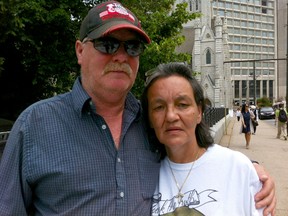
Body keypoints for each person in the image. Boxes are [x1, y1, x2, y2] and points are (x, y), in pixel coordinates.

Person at [0, 1, 275, 215]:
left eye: (131, 47)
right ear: (80, 51)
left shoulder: (152, 122)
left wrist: (249, 170)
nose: (120, 56)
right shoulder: (34, 125)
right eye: (107, 44)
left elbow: (193, 156)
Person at [142, 63, 265, 215]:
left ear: (199, 112)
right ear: (149, 118)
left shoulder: (239, 169)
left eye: (182, 104)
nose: (171, 116)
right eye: (159, 107)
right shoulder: (143, 175)